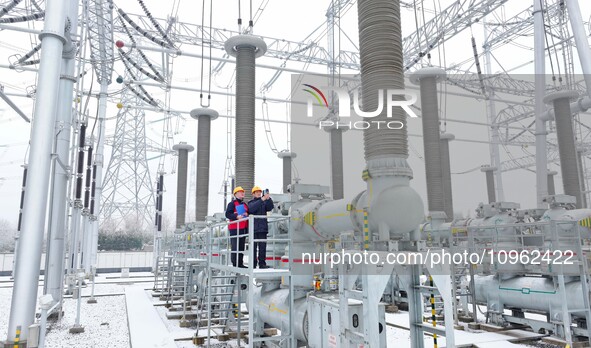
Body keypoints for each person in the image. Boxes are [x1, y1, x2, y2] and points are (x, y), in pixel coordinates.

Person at [247, 186, 274, 269]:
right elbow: (251, 209)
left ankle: (262, 264)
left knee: (262, 247)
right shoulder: (250, 203)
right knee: (253, 248)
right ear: (253, 194)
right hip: (253, 229)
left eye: (259, 192)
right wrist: (261, 200)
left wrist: (268, 199)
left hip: (262, 229)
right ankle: (253, 264)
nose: (258, 193)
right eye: (256, 192)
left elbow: (270, 208)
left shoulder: (264, 202)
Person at [225, 186, 249, 268]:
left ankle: (240, 263)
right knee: (235, 246)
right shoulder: (232, 204)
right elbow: (228, 214)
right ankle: (235, 263)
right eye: (240, 192)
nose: (242, 193)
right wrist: (236, 216)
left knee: (241, 246)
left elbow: (248, 213)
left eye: (243, 192)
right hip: (235, 229)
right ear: (235, 194)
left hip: (243, 228)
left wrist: (246, 214)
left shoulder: (244, 204)